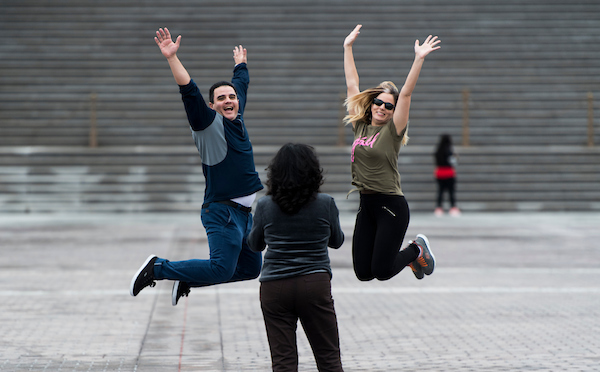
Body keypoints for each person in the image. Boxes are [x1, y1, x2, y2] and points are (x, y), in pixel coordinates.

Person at [130, 28, 263, 306]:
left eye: (232, 97)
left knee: (251, 269)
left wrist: (241, 66)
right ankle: (158, 268)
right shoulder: (207, 125)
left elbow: (241, 85)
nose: (229, 100)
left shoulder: (236, 117)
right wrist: (172, 58)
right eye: (222, 99)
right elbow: (189, 91)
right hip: (223, 211)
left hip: (245, 215)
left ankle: (188, 278)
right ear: (211, 106)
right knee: (220, 268)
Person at [343, 24, 439, 281]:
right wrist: (348, 47)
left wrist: (418, 59)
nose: (382, 108)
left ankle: (417, 249)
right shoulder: (360, 126)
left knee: (382, 271)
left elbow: (406, 93)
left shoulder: (393, 131)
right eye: (378, 102)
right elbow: (353, 85)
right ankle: (413, 257)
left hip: (390, 205)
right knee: (364, 273)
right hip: (367, 204)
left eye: (389, 105)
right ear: (372, 102)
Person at [247, 143, 345, 372]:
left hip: (274, 287)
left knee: (283, 362)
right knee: (329, 358)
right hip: (314, 283)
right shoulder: (325, 203)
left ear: (276, 173)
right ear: (313, 171)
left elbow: (254, 244)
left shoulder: (264, 205)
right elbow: (337, 241)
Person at [434, 134, 461, 217]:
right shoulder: (450, 150)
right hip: (449, 173)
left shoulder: (438, 150)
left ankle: (439, 208)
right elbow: (453, 162)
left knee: (440, 191)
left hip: (440, 173)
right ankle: (453, 208)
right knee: (451, 192)